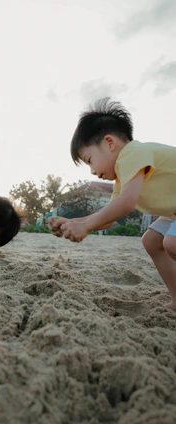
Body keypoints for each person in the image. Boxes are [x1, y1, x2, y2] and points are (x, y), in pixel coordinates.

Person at [49, 97, 176, 311]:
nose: (92, 171)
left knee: (171, 243)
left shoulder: (132, 154)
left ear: (110, 143)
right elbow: (109, 216)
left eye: (90, 160)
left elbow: (126, 204)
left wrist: (85, 227)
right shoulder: (122, 176)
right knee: (152, 241)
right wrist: (73, 223)